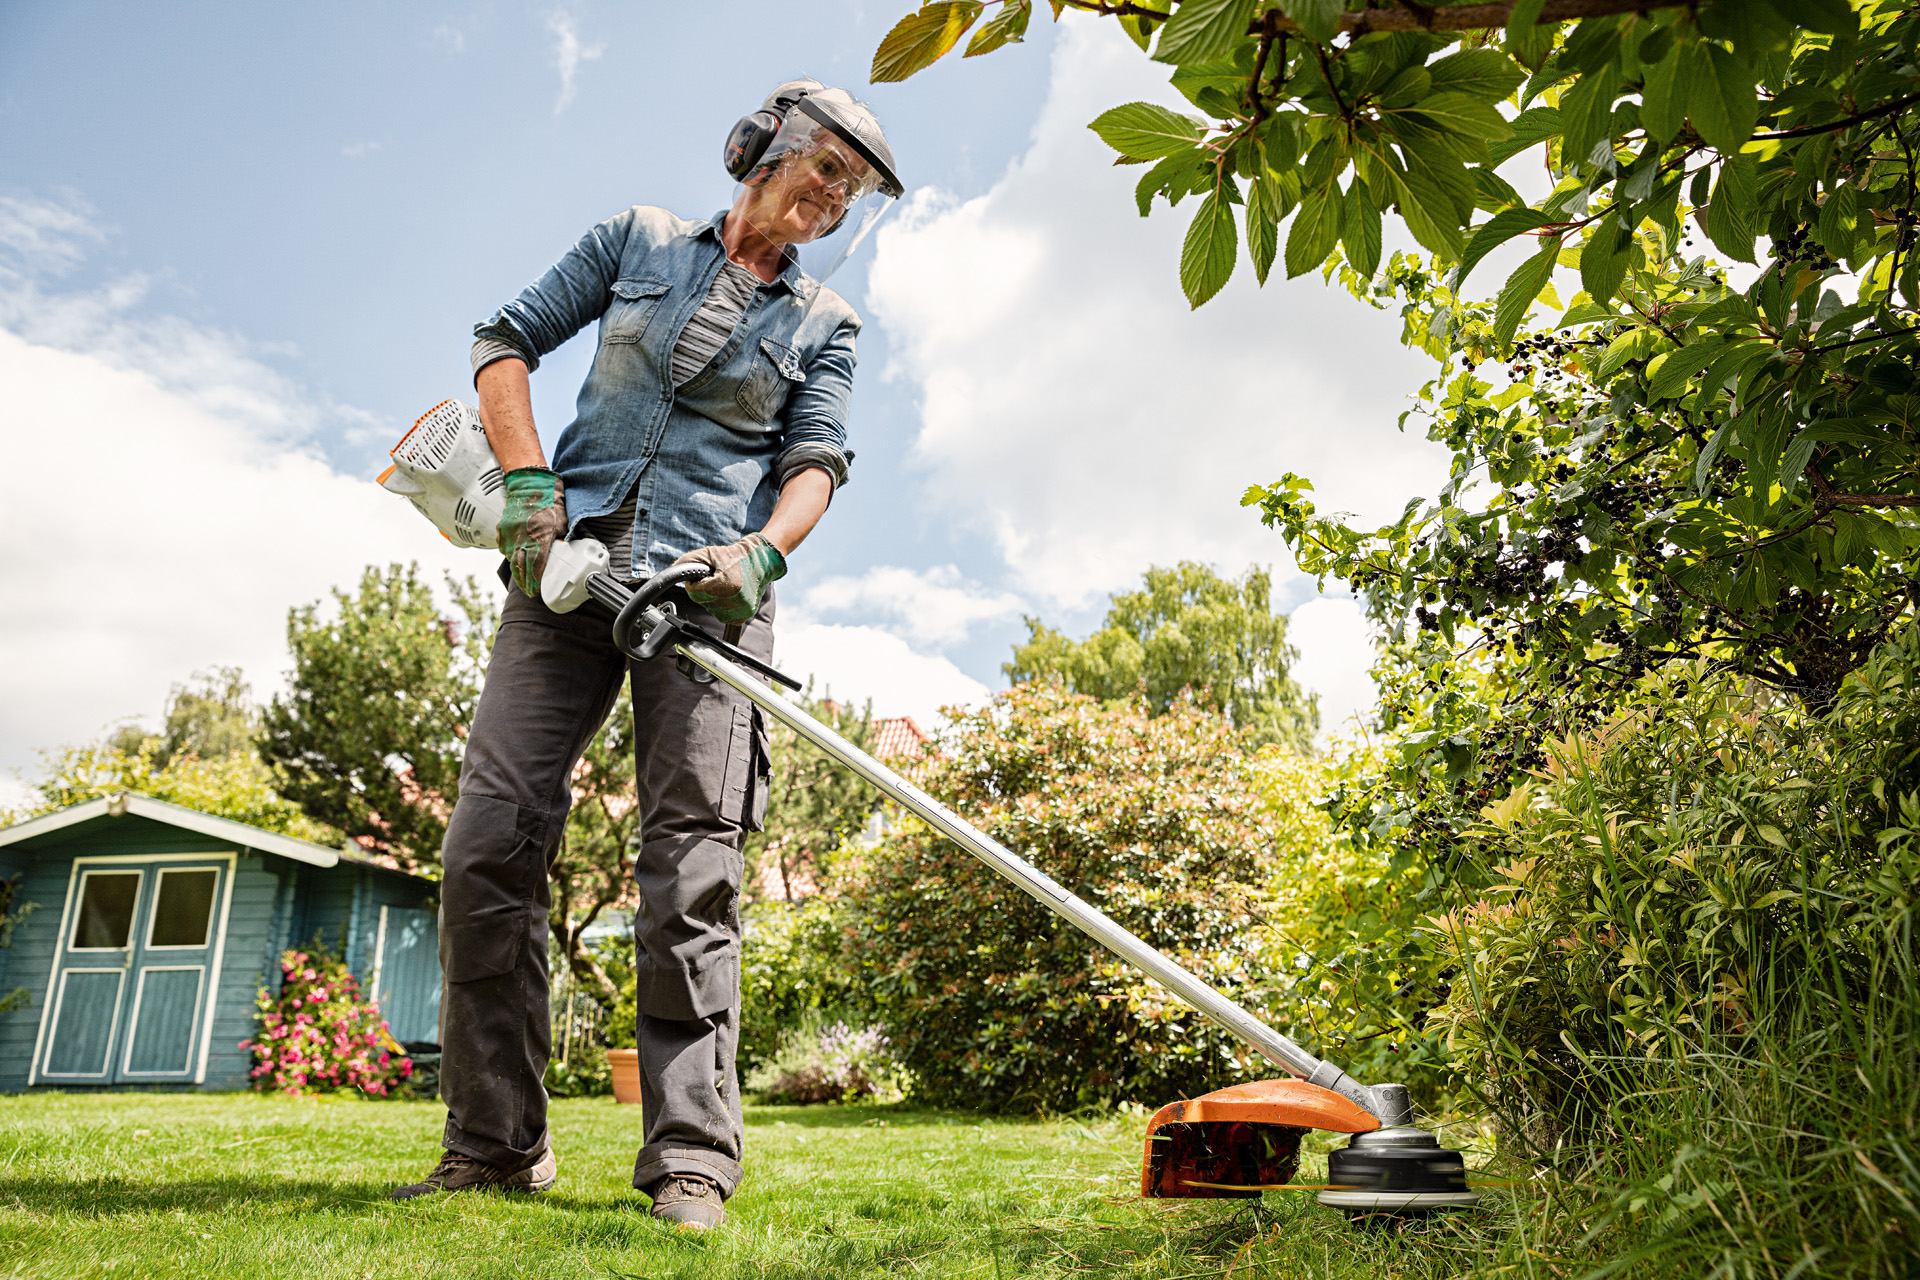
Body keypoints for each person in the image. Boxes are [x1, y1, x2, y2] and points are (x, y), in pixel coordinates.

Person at [388, 80, 901, 1231]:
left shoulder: (825, 323)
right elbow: (502, 341)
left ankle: (689, 1158)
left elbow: (817, 459)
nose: (829, 198)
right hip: (566, 571)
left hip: (705, 601)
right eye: (823, 168)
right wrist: (529, 492)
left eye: (850, 190)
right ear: (763, 146)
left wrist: (761, 553)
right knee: (486, 844)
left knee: (691, 873)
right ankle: (495, 1141)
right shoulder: (636, 240)